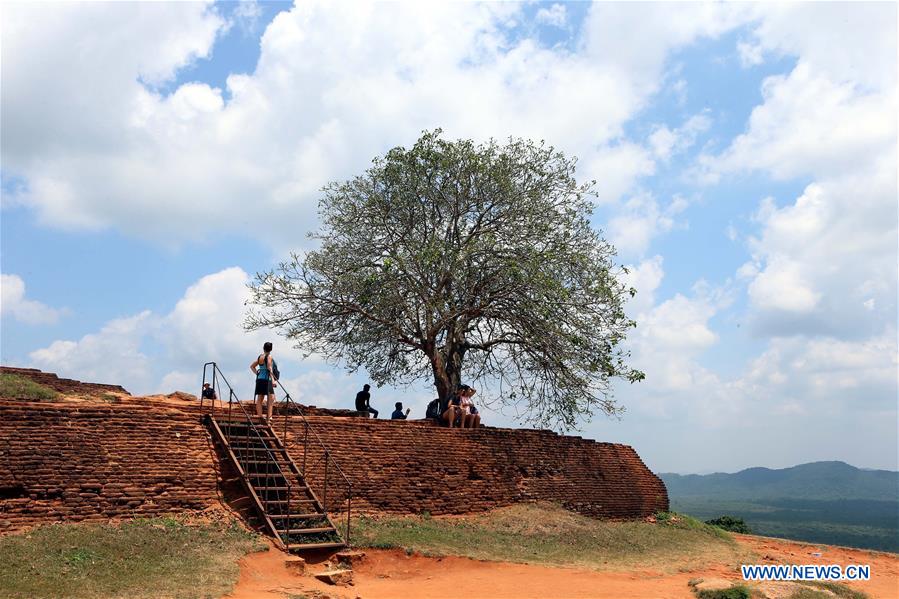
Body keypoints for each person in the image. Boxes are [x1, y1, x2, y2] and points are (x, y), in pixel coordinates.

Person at [250, 342, 278, 423]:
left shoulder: (260, 357)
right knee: (271, 398)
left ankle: (260, 416)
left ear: (263, 348)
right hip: (267, 379)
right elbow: (269, 368)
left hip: (259, 379)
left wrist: (257, 373)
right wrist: (273, 380)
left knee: (260, 398)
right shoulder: (269, 356)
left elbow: (252, 366)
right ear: (271, 349)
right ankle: (269, 417)